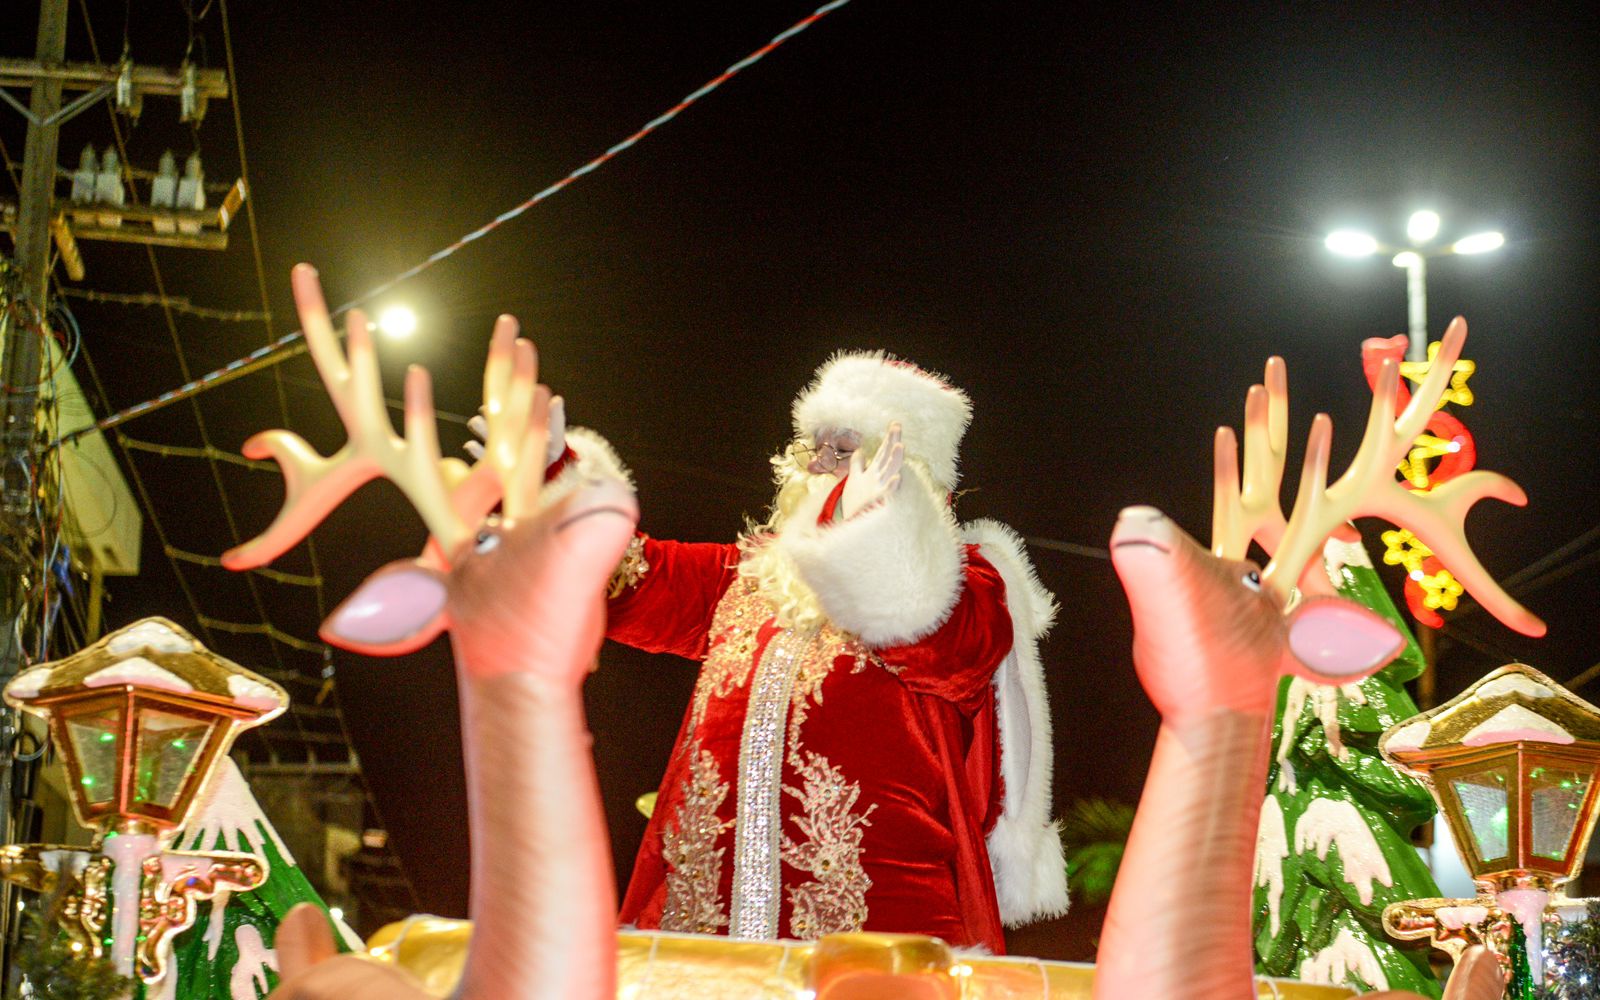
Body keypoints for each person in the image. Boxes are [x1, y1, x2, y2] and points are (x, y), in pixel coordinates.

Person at [548, 351, 1067, 952]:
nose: (818, 464)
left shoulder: (964, 584)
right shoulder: (749, 575)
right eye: (812, 447)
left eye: (842, 449)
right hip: (703, 910)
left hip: (879, 923)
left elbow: (949, 650)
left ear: (909, 473)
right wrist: (555, 480)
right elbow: (628, 580)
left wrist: (874, 531)